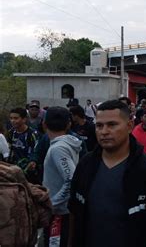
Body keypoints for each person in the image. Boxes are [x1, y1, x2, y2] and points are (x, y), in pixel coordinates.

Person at [68, 100, 146, 247]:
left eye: (112, 124)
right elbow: (74, 210)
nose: (104, 131)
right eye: (99, 125)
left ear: (129, 126)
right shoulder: (86, 164)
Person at [42, 106, 82, 247]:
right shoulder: (65, 144)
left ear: (44, 124)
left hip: (59, 213)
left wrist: (53, 203)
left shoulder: (58, 148)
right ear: (69, 124)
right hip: (61, 211)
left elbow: (71, 179)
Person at [6, 107, 39, 183]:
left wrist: (33, 162)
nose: (13, 121)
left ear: (24, 119)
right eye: (11, 118)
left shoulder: (32, 134)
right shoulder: (11, 133)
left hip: (29, 172)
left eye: (16, 118)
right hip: (14, 170)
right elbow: (10, 149)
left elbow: (36, 151)